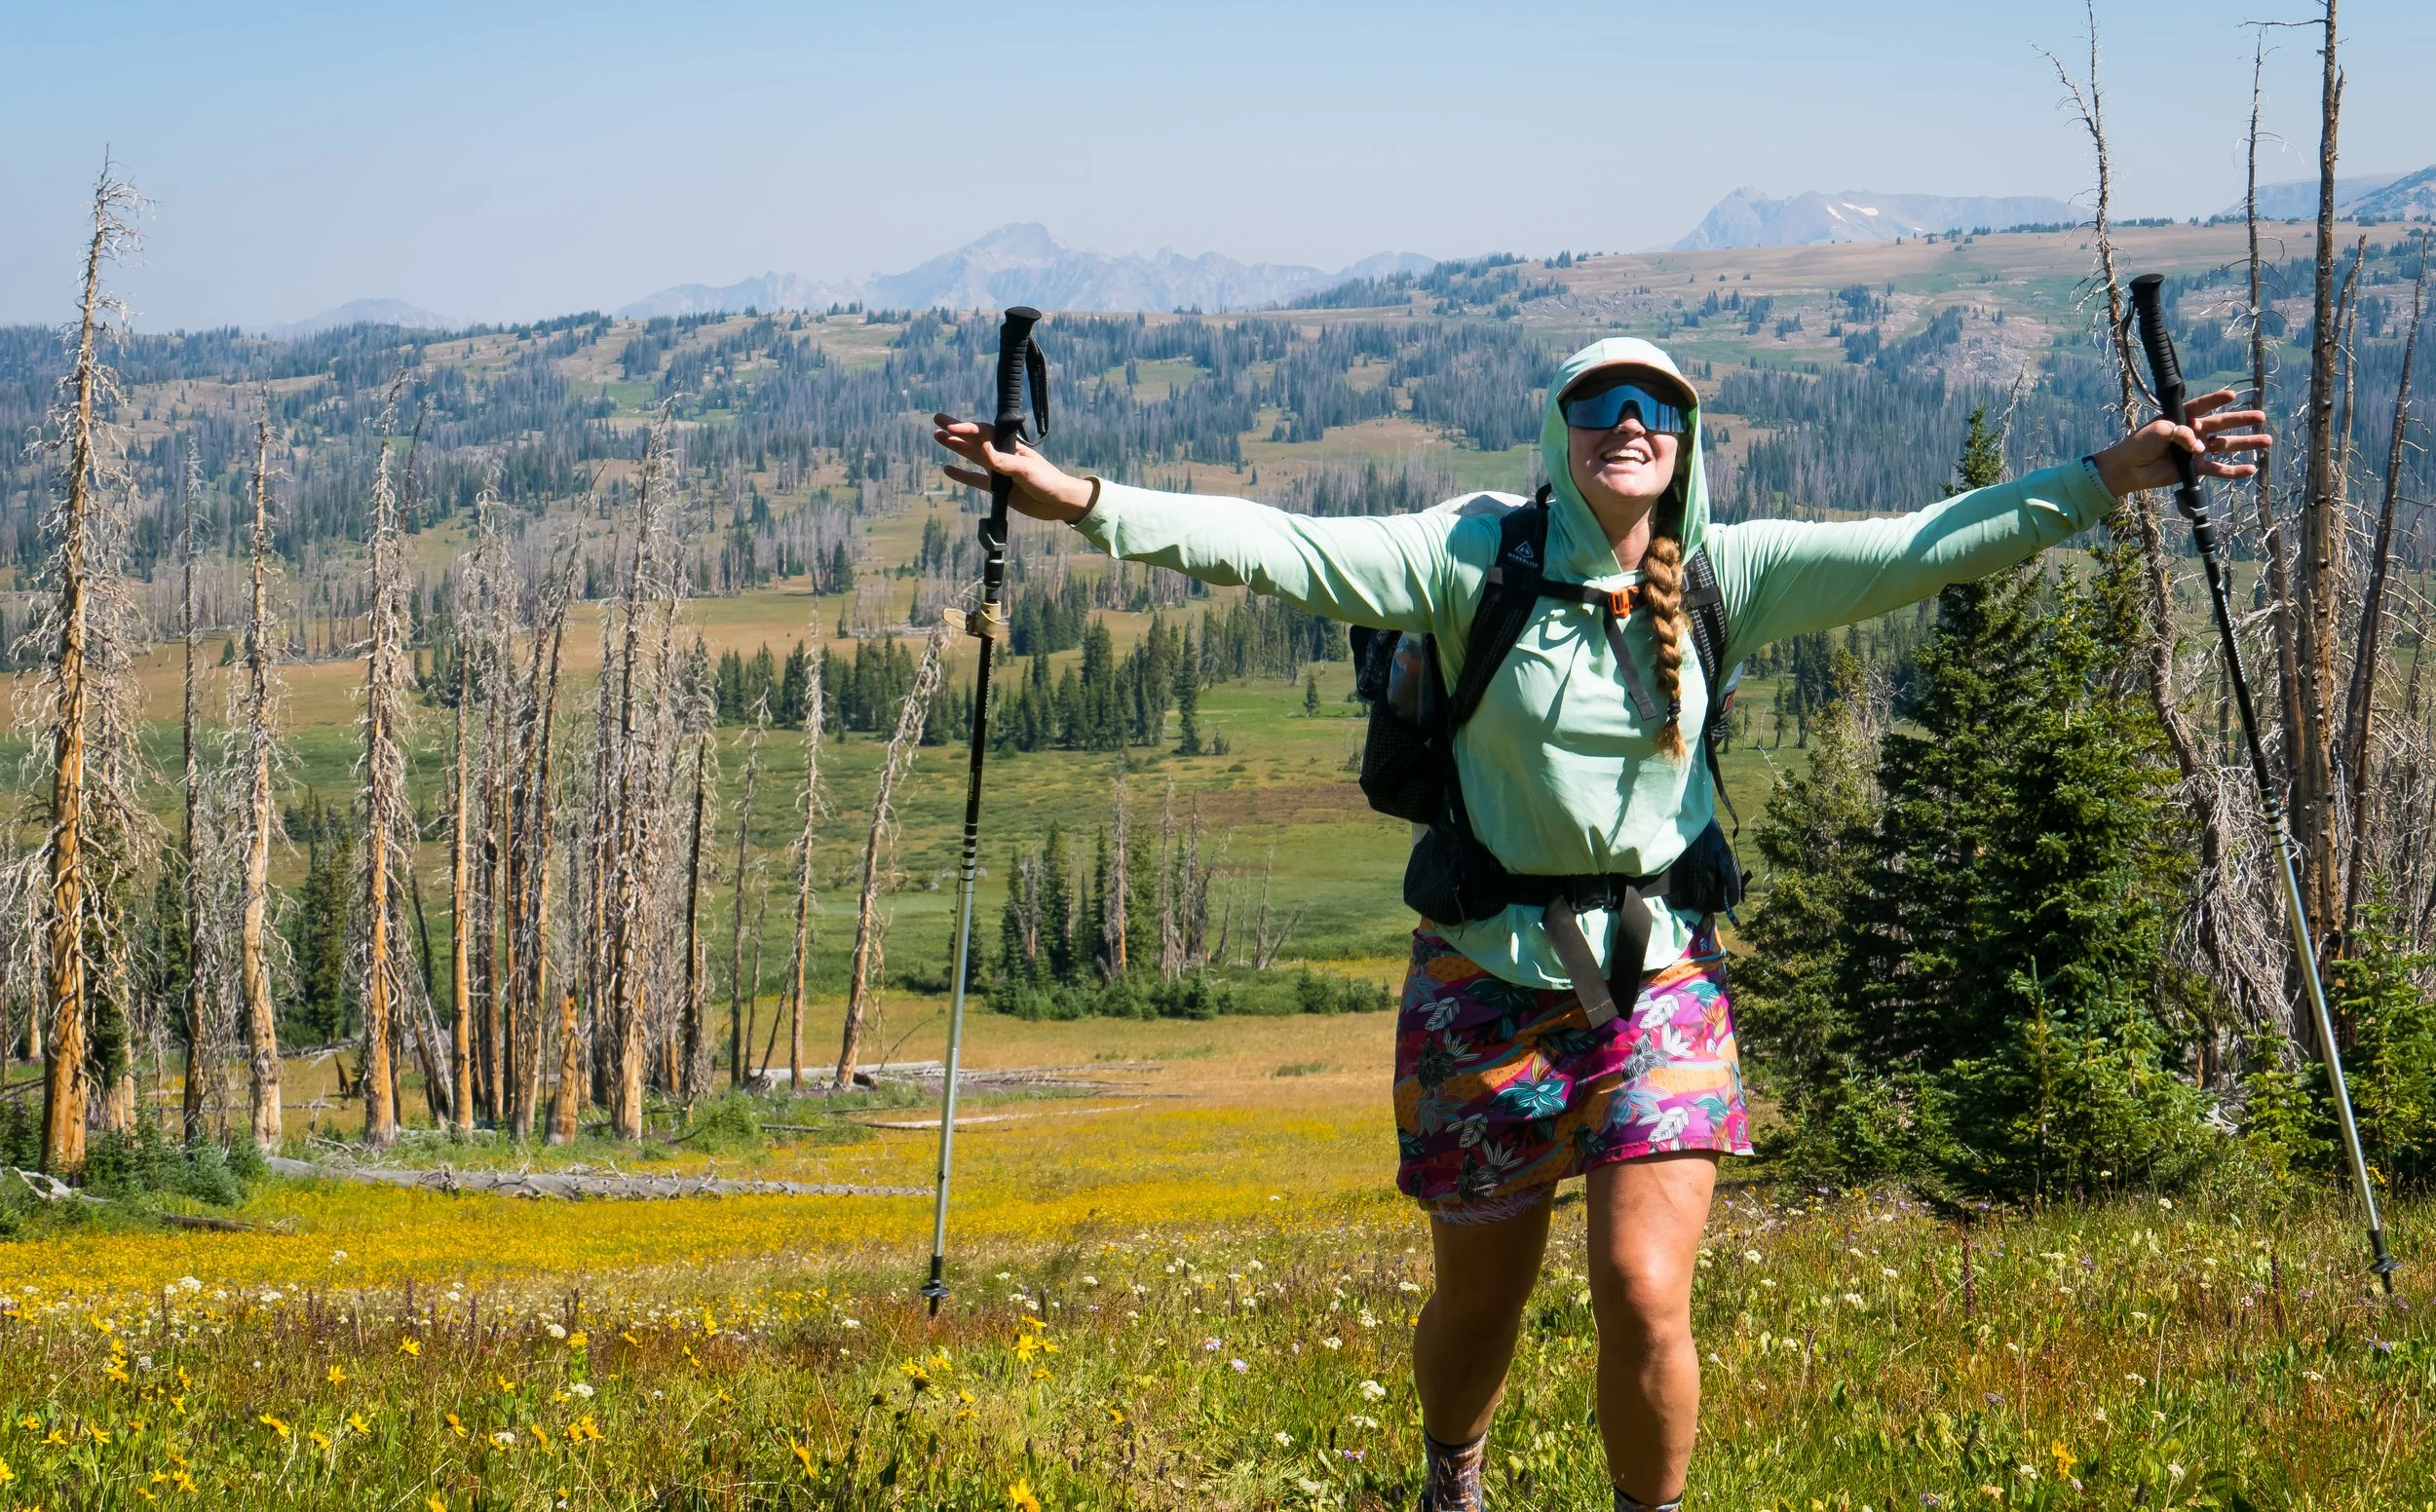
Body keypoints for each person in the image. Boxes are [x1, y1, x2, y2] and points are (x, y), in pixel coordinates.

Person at [933, 335, 2266, 1512]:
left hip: (1661, 980)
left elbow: (1925, 542)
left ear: (1682, 440)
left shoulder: (1735, 573)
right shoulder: (1469, 562)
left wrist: (2111, 474)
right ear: (1562, 434)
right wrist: (1080, 501)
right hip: (1483, 979)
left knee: (1642, 1285)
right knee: (1479, 1306)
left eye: (1657, 405)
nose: (1629, 420)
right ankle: (1453, 1464)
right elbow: (1281, 546)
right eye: (1601, 400)